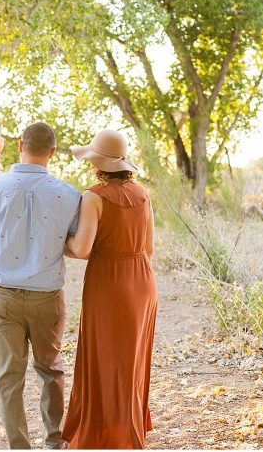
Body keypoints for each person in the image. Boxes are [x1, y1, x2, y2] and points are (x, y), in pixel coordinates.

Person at [0, 122, 81, 449]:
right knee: (51, 370)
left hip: (1, 297)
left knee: (8, 378)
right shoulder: (69, 194)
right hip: (46, 298)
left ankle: (19, 447)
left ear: (20, 145)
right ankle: (55, 442)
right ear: (52, 152)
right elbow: (75, 241)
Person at [61, 129, 158, 449]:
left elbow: (83, 249)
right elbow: (149, 248)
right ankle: (128, 427)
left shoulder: (93, 196)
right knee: (130, 360)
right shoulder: (143, 194)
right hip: (142, 281)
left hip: (108, 283)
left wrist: (58, 241)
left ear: (97, 163)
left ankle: (102, 431)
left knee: (103, 355)